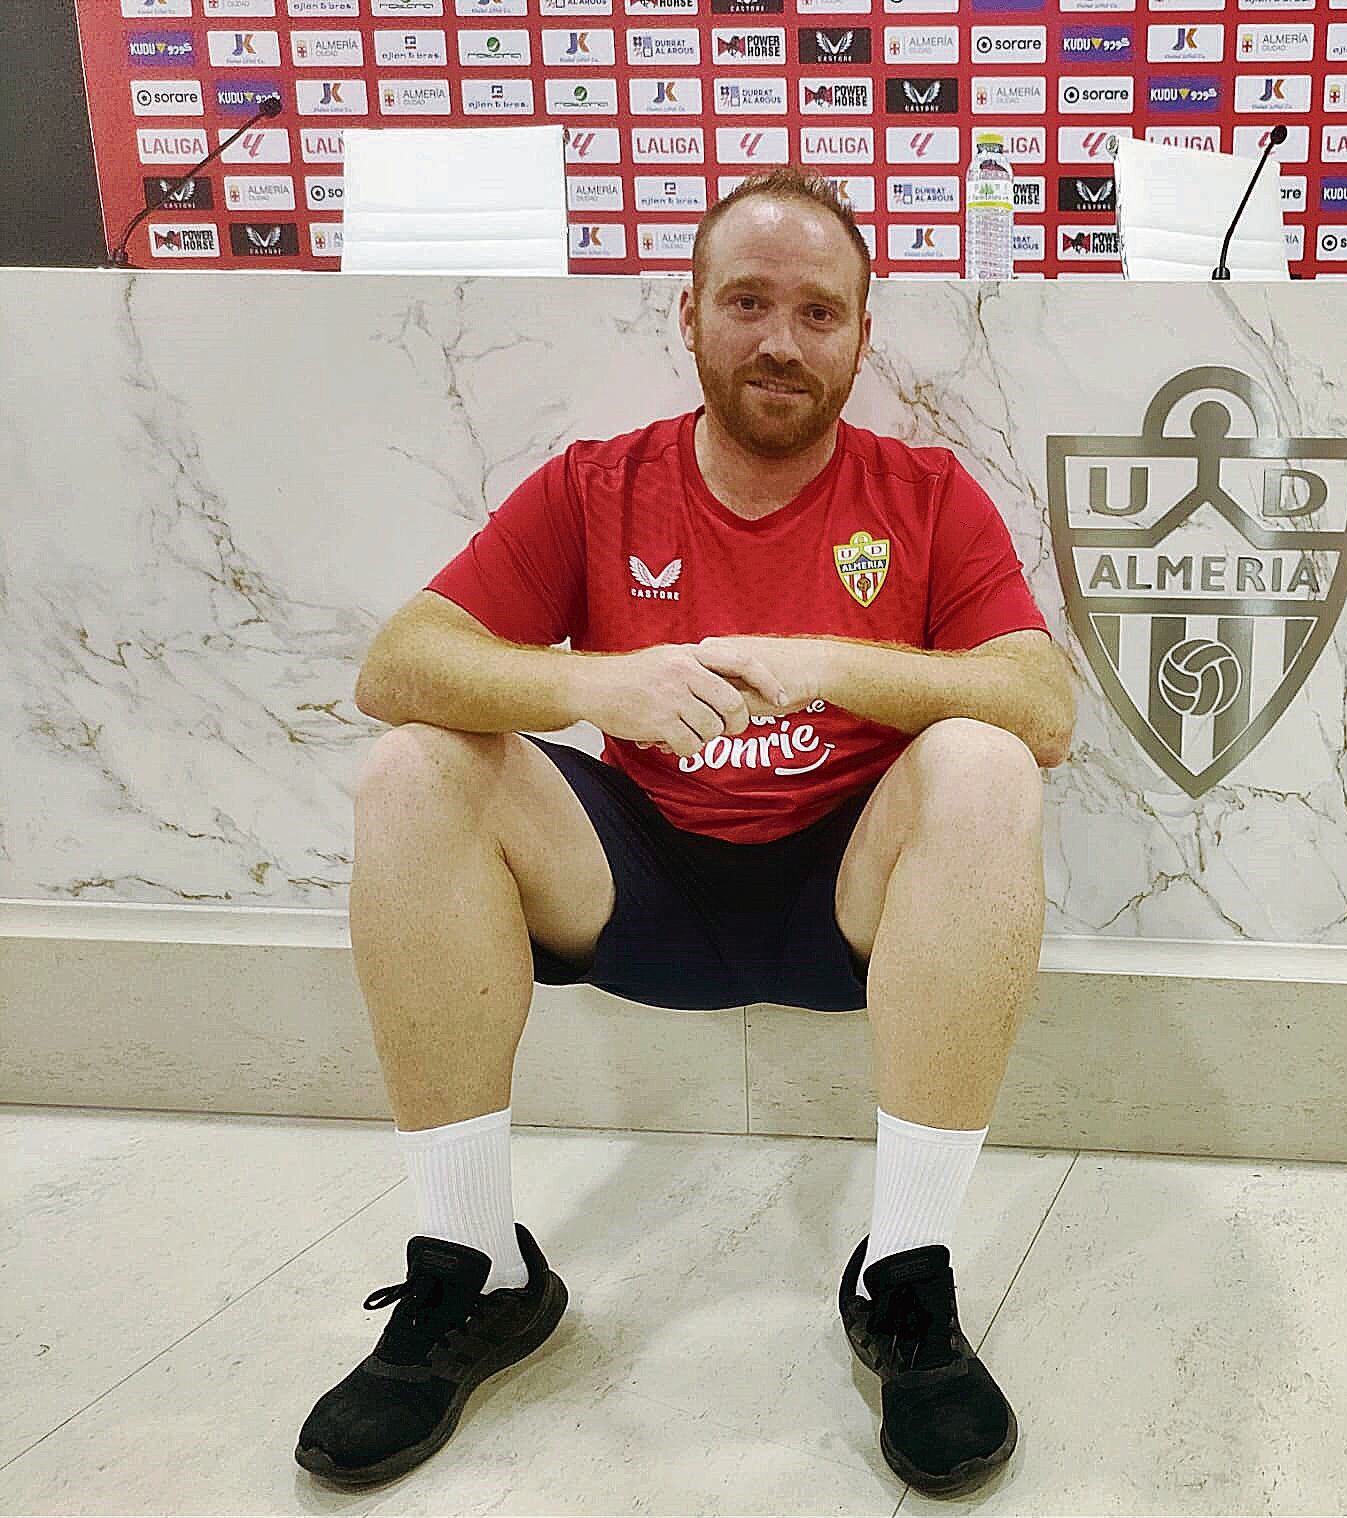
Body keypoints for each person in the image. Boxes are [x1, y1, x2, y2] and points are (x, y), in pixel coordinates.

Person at [293, 169, 1077, 1500]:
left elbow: (1042, 702)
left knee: (988, 764)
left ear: (861, 338)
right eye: (749, 301)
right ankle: (473, 1269)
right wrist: (600, 683)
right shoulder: (601, 486)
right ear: (692, 317)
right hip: (640, 880)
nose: (782, 337)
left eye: (818, 311)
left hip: (847, 894)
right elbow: (398, 659)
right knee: (412, 765)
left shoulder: (928, 494)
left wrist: (828, 660)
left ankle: (908, 1275)